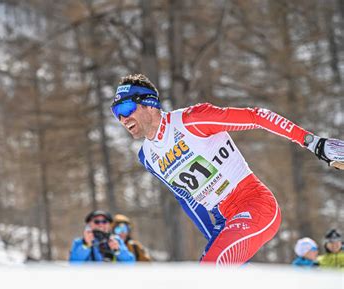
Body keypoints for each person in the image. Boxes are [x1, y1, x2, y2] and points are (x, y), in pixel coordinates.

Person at [111, 73, 344, 266]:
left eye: (127, 107)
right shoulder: (148, 157)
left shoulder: (192, 120)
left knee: (211, 270)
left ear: (149, 104)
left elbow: (256, 116)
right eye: (116, 112)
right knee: (208, 276)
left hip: (254, 204)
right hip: (225, 220)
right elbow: (186, 199)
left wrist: (312, 142)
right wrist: (215, 237)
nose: (122, 118)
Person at [69, 210, 135, 263]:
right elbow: (73, 262)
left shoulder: (117, 240)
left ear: (109, 225)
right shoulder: (79, 242)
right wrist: (86, 245)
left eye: (104, 221)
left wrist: (118, 251)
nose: (101, 224)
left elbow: (131, 262)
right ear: (89, 224)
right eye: (96, 221)